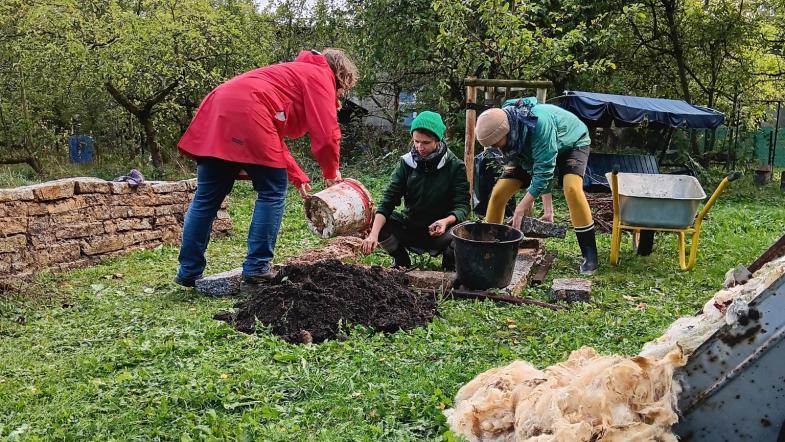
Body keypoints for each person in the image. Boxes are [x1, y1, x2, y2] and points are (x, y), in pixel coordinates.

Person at [174, 49, 358, 287]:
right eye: (343, 90)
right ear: (339, 76)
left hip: (217, 109)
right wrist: (332, 172)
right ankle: (257, 268)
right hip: (249, 111)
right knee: (272, 192)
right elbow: (326, 133)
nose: (340, 97)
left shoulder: (289, 74)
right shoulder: (320, 76)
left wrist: (297, 177)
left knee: (206, 198)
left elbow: (271, 138)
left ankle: (188, 271)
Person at [474, 97, 598, 274]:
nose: (495, 148)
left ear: (505, 133)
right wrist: (548, 210)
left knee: (572, 188)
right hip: (534, 150)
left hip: (572, 142)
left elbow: (544, 170)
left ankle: (590, 256)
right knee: (499, 192)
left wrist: (520, 207)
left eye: (495, 144)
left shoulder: (539, 125)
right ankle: (489, 249)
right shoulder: (508, 128)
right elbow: (534, 168)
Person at [361, 111, 470, 270]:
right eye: (416, 141)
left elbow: (463, 206)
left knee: (465, 230)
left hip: (441, 231)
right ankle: (401, 260)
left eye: (426, 142)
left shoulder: (455, 166)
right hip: (411, 227)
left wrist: (445, 221)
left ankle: (449, 265)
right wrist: (373, 235)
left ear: (437, 141)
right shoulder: (406, 163)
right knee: (376, 220)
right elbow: (388, 201)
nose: (420, 147)